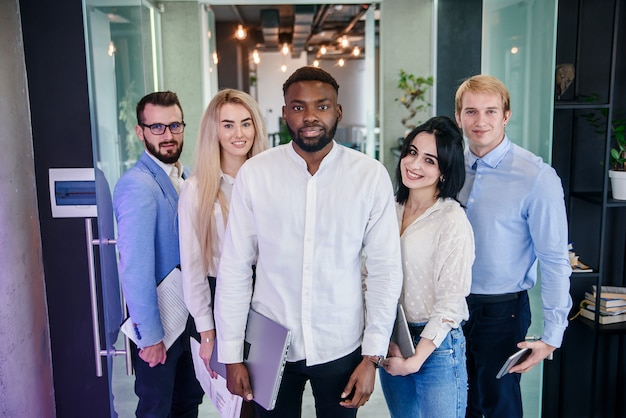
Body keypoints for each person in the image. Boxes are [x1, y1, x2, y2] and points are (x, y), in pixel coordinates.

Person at [213, 66, 403, 417]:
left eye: (322, 105)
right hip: (269, 341)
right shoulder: (256, 175)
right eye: (298, 107)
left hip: (341, 342)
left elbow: (385, 270)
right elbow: (235, 267)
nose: (310, 116)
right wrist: (231, 355)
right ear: (284, 113)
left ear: (338, 111)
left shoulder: (368, 176)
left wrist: (372, 357)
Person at [455, 75, 572, 417]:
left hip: (501, 313)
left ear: (506, 116)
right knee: (458, 405)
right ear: (459, 116)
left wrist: (552, 335)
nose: (480, 121)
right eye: (471, 111)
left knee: (498, 406)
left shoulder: (536, 176)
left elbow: (553, 258)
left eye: (490, 111)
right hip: (448, 308)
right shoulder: (448, 168)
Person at [178, 89, 269, 417]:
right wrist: (207, 332)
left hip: (266, 301)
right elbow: (192, 267)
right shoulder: (197, 189)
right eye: (228, 125)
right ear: (213, 131)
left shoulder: (269, 182)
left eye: (246, 124)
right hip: (220, 301)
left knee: (267, 403)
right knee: (238, 404)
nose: (239, 134)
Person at [113, 91, 204, 417]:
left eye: (175, 125)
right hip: (160, 328)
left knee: (188, 403)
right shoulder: (137, 185)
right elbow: (134, 269)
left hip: (189, 320)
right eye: (157, 128)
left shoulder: (188, 176)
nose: (168, 135)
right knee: (156, 410)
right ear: (141, 132)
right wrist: (149, 337)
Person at [379, 116, 474, 418]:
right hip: (393, 339)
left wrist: (417, 358)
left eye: (429, 160)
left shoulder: (451, 219)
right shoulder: (387, 209)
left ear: (444, 172)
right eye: (412, 152)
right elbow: (370, 276)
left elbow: (451, 300)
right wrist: (385, 338)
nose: (414, 164)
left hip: (438, 349)